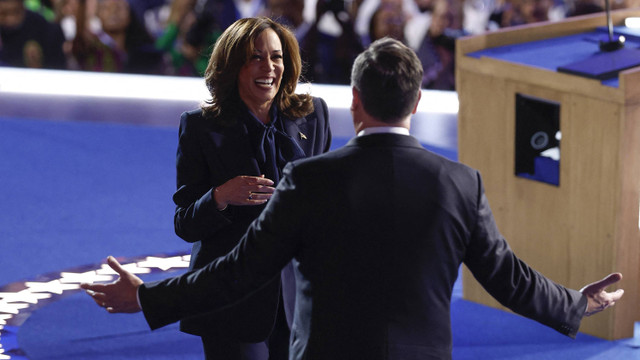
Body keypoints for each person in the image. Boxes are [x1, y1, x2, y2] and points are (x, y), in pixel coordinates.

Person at [81, 37, 624, 360]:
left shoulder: (310, 181)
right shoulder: (461, 183)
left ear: (355, 104)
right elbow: (507, 278)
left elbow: (236, 273)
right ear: (416, 102)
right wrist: (578, 302)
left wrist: (150, 299)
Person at [171, 17, 333, 360]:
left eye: (276, 57)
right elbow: (184, 222)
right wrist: (220, 197)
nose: (269, 67)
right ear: (232, 66)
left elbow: (325, 203)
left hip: (297, 301)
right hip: (231, 300)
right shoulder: (201, 127)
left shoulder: (313, 114)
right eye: (255, 57)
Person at [0, 0, 66, 68]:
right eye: (3, 14)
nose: (11, 19)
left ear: (22, 6)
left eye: (16, 12)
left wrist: (36, 65)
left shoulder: (43, 28)